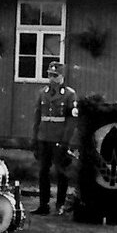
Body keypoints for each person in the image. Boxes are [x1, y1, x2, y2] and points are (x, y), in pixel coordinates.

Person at [31, 61, 79, 216]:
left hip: (59, 138)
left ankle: (60, 205)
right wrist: (35, 138)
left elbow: (72, 120)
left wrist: (66, 141)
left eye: (55, 75)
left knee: (61, 172)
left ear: (62, 76)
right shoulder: (42, 92)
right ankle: (43, 204)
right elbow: (37, 117)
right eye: (49, 75)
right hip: (44, 137)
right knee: (43, 171)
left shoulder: (69, 94)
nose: (52, 79)